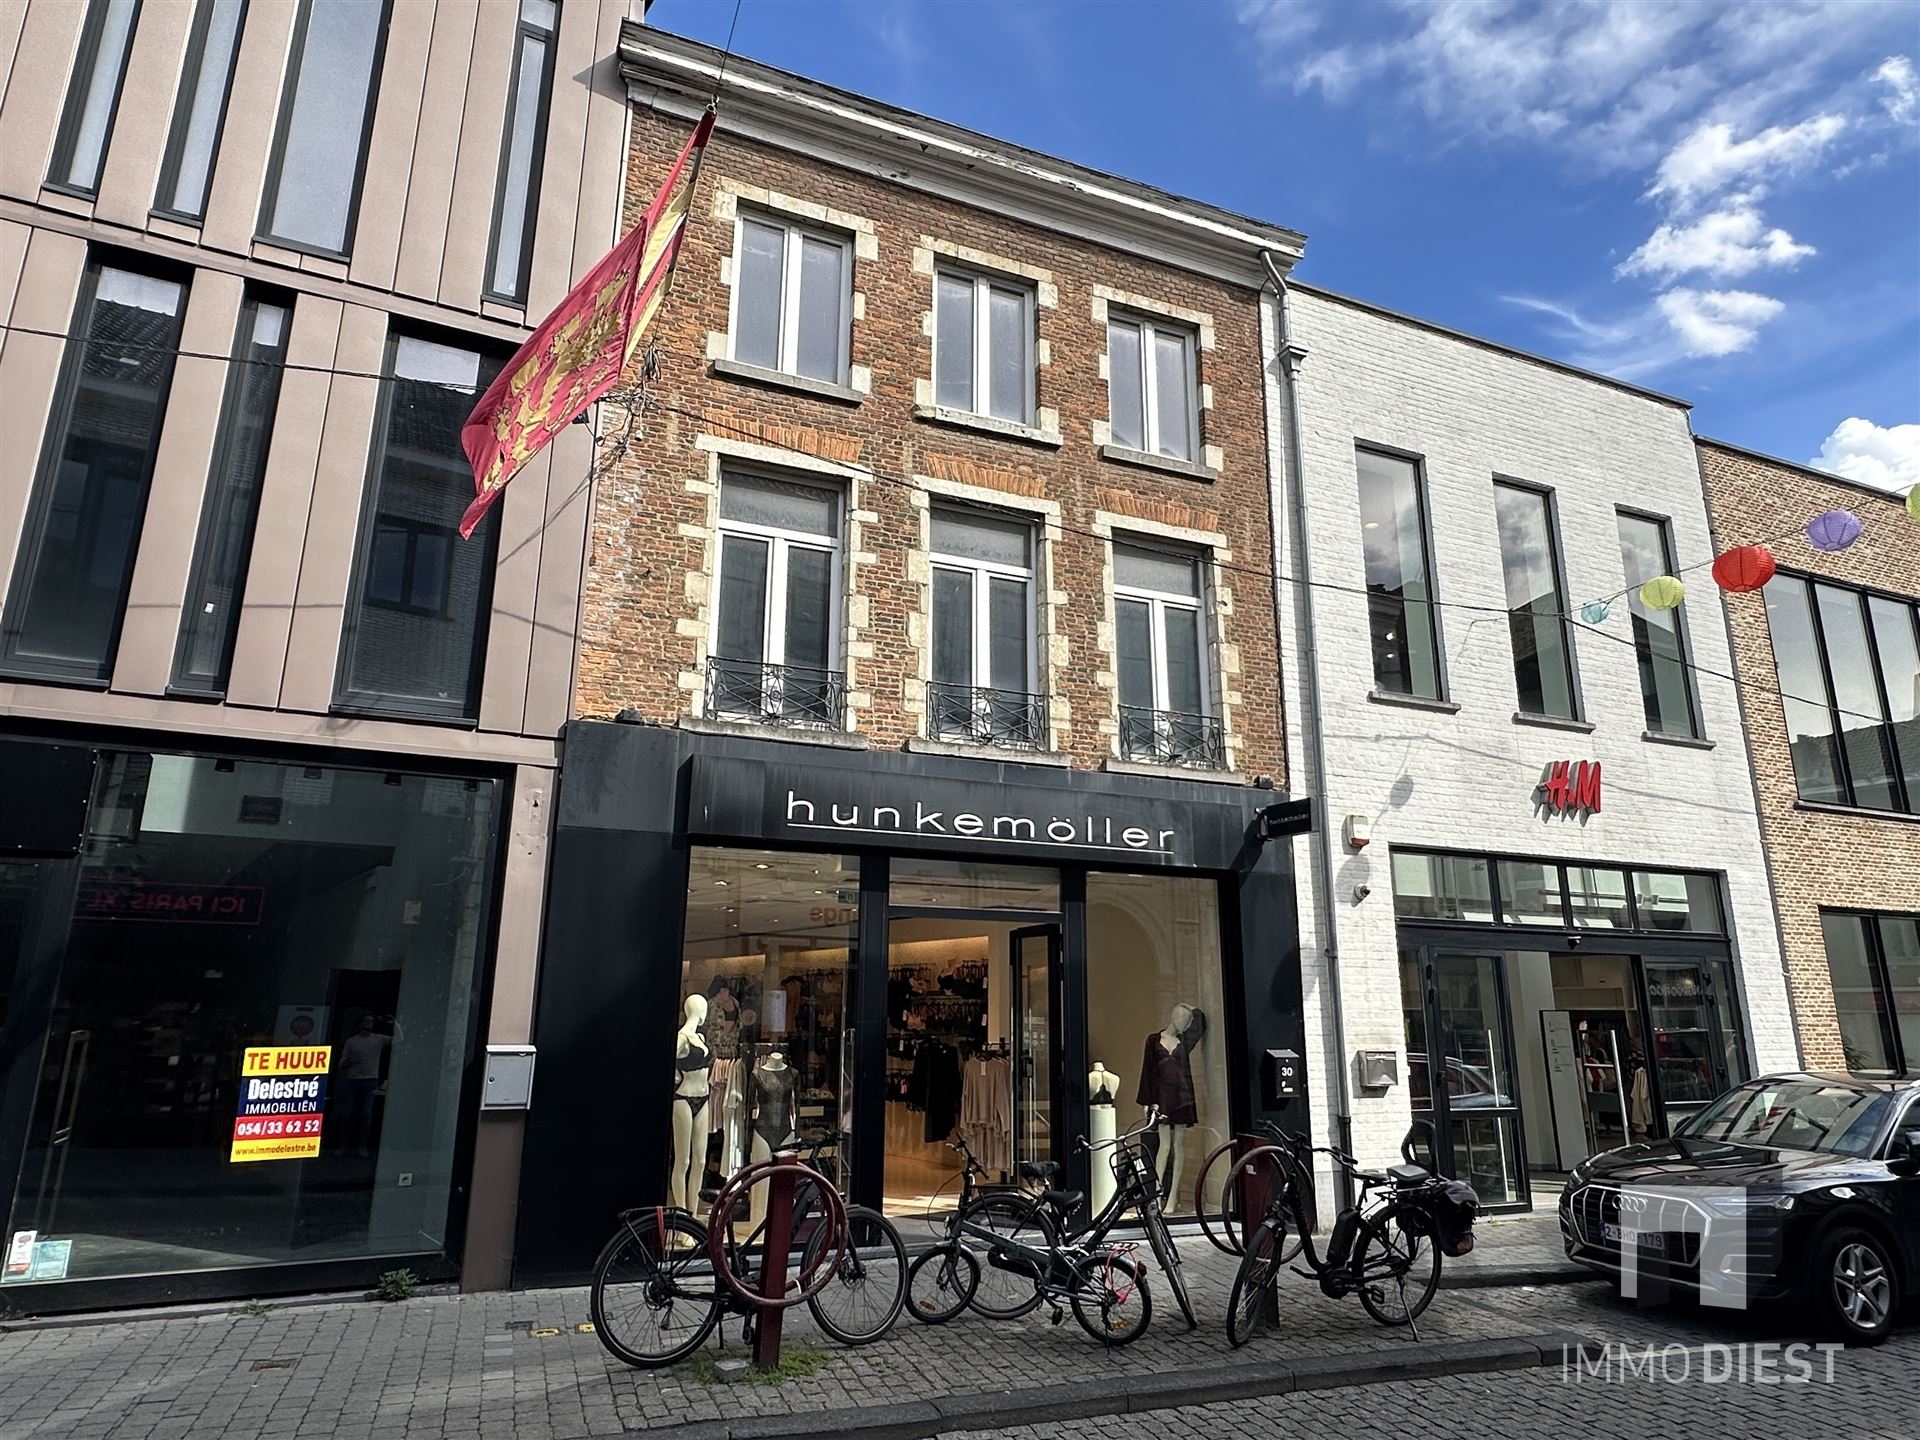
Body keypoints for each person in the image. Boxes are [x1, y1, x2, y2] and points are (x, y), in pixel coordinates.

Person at [340, 1015, 390, 1157]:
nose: (369, 1023)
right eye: (367, 1021)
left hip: (370, 1080)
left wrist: (393, 1022)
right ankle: (343, 1146)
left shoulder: (378, 1039)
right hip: (353, 1079)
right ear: (360, 1023)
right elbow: (342, 1063)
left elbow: (399, 1040)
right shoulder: (352, 1041)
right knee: (348, 1113)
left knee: (366, 1114)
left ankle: (362, 1147)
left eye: (371, 1021)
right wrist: (349, 1061)